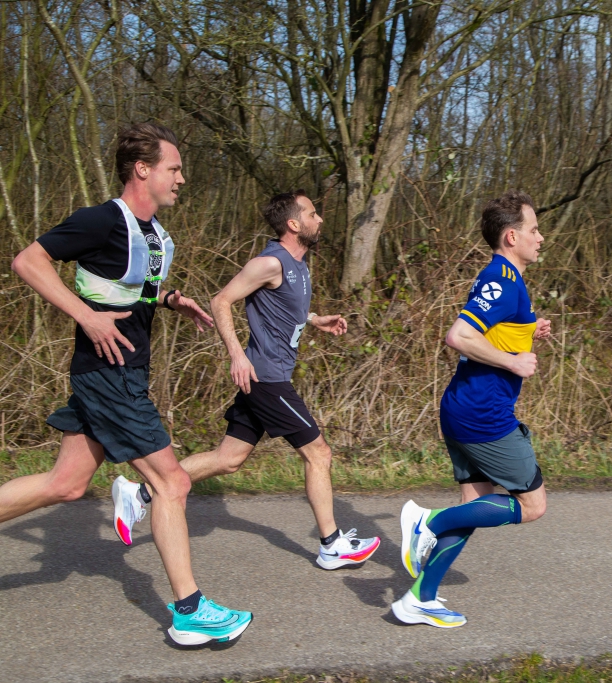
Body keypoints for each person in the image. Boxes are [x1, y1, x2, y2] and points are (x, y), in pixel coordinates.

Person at [0, 123, 252, 645]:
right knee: (172, 482)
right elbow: (28, 261)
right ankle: (189, 610)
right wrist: (86, 318)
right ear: (143, 169)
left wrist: (167, 300)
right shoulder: (100, 220)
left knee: (65, 485)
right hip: (108, 375)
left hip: (122, 371)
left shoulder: (154, 234)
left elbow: (119, 287)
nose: (182, 178)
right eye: (174, 168)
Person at [116, 190, 379, 569]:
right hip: (266, 378)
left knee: (228, 459)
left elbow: (285, 309)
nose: (319, 219)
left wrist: (315, 319)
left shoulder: (298, 265)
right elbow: (221, 300)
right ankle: (331, 544)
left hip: (268, 375)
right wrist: (237, 355)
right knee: (318, 452)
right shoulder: (270, 263)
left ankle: (138, 493)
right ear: (293, 224)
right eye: (312, 213)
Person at [392, 189, 552, 628]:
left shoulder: (507, 279)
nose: (541, 237)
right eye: (534, 230)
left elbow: (491, 329)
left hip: (463, 408)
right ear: (511, 237)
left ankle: (419, 599)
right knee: (533, 505)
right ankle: (429, 522)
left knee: (477, 503)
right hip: (484, 416)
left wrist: (528, 332)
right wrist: (514, 361)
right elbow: (459, 336)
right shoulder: (501, 280)